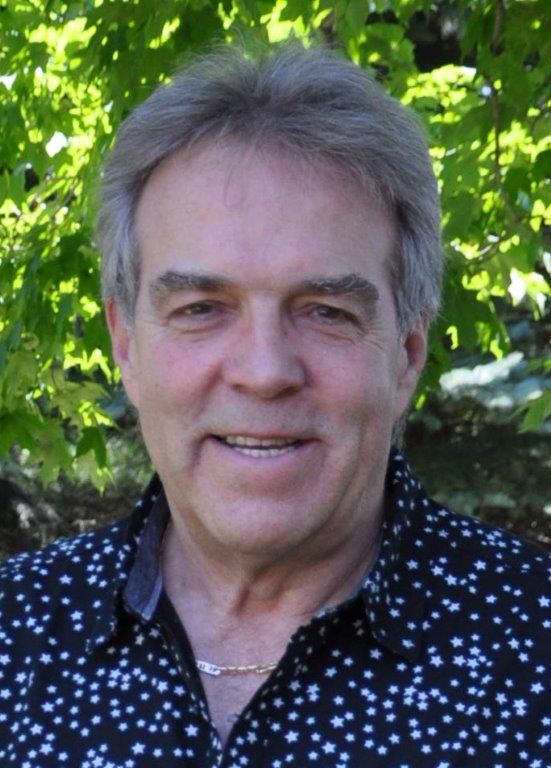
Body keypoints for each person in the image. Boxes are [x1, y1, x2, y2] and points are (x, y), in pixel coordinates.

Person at [0, 44, 549, 768]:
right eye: (201, 309)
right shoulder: (13, 633)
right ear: (126, 346)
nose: (264, 373)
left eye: (326, 312)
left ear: (407, 354)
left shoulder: (535, 652)